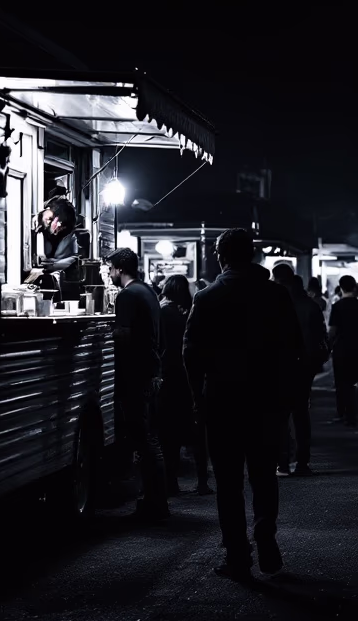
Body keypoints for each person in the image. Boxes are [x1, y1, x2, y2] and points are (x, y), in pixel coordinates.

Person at [184, 228, 303, 580]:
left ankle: (238, 554)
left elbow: (191, 352)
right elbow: (294, 347)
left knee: (229, 482)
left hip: (224, 401)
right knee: (264, 475)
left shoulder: (207, 298)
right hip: (267, 400)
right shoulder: (276, 295)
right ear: (252, 256)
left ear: (220, 256)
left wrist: (197, 395)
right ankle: (266, 535)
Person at [105, 247, 169, 522]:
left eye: (110, 269)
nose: (108, 274)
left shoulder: (128, 296)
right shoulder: (149, 293)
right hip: (150, 370)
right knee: (150, 439)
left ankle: (155, 504)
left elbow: (124, 336)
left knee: (144, 440)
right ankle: (154, 500)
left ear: (120, 268)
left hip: (135, 374)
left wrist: (111, 332)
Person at [157, 275, 213, 496]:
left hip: (169, 379)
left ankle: (171, 482)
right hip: (189, 378)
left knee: (169, 435)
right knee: (197, 432)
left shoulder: (162, 311)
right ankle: (202, 482)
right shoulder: (185, 313)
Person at [272, 263, 328, 476]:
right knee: (301, 414)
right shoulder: (310, 305)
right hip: (305, 365)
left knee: (280, 416)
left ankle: (283, 462)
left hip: (279, 366)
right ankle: (302, 462)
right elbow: (321, 337)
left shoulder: (273, 304)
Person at [328, 275, 358, 427]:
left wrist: (329, 346)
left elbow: (333, 331)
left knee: (343, 384)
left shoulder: (337, 307)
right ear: (355, 287)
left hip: (342, 349)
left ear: (341, 288)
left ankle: (347, 415)